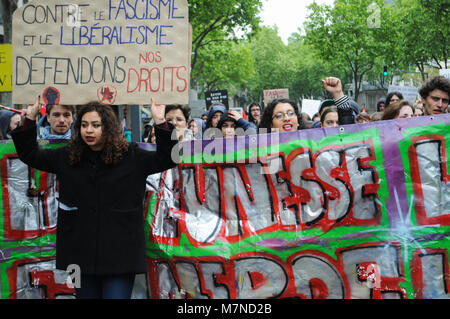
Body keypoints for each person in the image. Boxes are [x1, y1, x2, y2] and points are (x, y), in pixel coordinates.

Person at [11, 96, 178, 299]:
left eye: (95, 125)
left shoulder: (132, 156)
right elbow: (29, 154)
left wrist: (160, 121)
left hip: (120, 255)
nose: (88, 130)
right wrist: (29, 117)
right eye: (84, 125)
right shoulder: (68, 156)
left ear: (107, 127)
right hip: (79, 255)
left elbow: (169, 157)